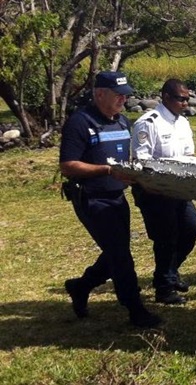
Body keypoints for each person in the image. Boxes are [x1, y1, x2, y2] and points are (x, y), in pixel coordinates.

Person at [60, 71, 162, 328]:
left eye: (125, 95)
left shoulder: (123, 123)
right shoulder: (80, 123)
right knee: (120, 255)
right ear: (99, 94)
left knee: (115, 252)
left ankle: (81, 286)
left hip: (117, 196)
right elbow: (68, 165)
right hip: (92, 198)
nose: (122, 99)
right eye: (118, 95)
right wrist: (106, 171)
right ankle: (135, 309)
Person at [131, 79, 196, 305]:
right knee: (166, 237)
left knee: (191, 228)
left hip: (179, 189)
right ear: (166, 97)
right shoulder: (149, 123)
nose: (185, 103)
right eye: (181, 98)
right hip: (155, 191)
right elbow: (142, 162)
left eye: (187, 99)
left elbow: (188, 156)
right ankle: (163, 288)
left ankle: (170, 272)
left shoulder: (182, 123)